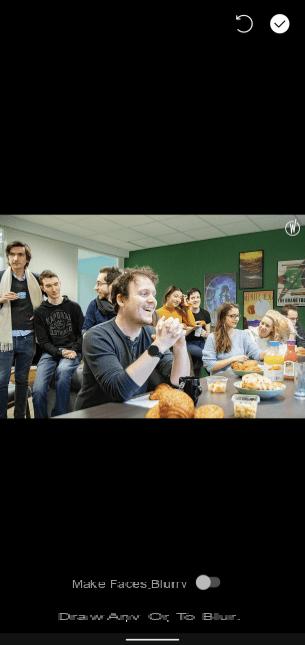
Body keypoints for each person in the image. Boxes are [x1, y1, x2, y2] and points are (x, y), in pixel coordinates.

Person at [75, 267, 190, 410]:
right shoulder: (96, 336)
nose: (153, 300)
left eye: (153, 294)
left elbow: (179, 381)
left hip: (133, 411)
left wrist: (180, 345)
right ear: (122, 300)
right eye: (144, 293)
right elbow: (119, 390)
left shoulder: (150, 333)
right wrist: (160, 344)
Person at [32, 270, 84, 417]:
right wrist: (59, 352)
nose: (54, 289)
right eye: (49, 286)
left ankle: (60, 414)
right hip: (50, 353)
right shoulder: (40, 312)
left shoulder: (74, 307)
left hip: (72, 351)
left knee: (62, 372)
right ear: (43, 288)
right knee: (38, 389)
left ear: (60, 283)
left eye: (56, 284)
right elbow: (43, 342)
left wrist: (74, 350)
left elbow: (82, 334)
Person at [0, 240, 42, 418]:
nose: (15, 258)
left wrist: (38, 315)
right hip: (5, 340)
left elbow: (50, 301)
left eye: (20, 254)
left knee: (22, 381)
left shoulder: (36, 279)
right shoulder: (0, 277)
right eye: (12, 254)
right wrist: (1, 299)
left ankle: (19, 416)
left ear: (27, 259)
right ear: (8, 257)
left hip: (27, 339)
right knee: (1, 382)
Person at [202, 302, 264, 374]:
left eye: (237, 316)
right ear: (223, 317)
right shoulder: (212, 337)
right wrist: (233, 359)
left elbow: (257, 353)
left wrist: (272, 353)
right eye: (232, 316)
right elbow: (210, 365)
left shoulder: (243, 335)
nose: (236, 319)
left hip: (239, 380)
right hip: (221, 381)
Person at [82, 266, 122, 333]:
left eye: (99, 284)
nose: (95, 288)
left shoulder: (124, 306)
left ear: (112, 285)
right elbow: (85, 332)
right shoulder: (94, 304)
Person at [185, 288, 211, 368]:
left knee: (201, 365)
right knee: (206, 355)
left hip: (202, 342)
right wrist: (193, 328)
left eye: (197, 297)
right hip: (188, 343)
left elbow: (208, 334)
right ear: (188, 300)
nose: (195, 300)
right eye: (192, 298)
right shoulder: (185, 313)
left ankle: (214, 377)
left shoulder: (205, 313)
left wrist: (205, 334)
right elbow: (181, 335)